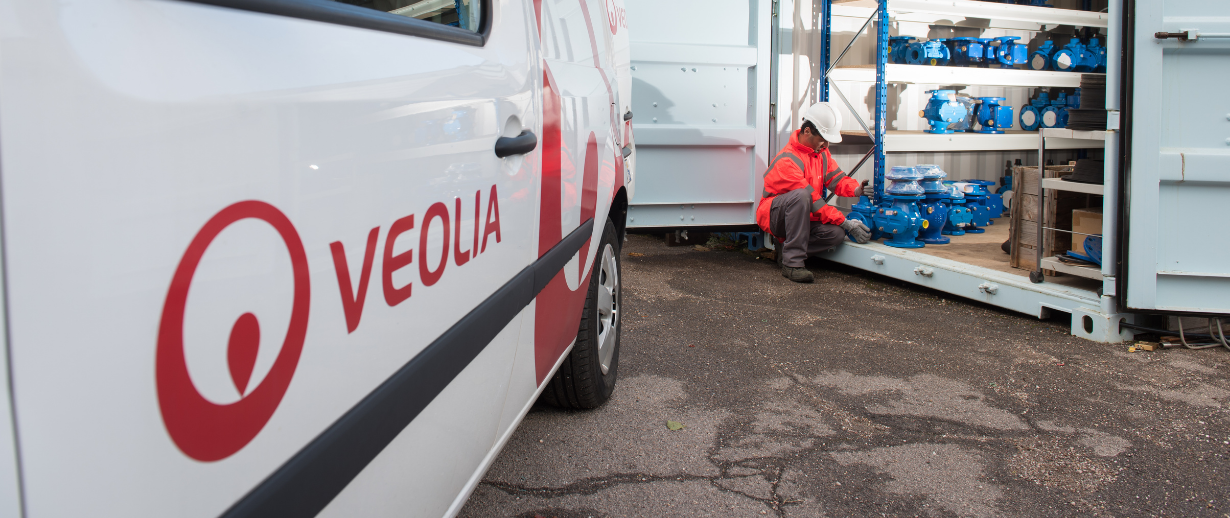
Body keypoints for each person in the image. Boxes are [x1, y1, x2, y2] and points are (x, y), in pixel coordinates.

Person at [756, 102, 871, 283]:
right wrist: (846, 222)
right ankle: (792, 264)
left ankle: (784, 250)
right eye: (823, 139)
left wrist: (857, 190)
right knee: (802, 196)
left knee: (836, 234)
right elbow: (814, 200)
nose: (825, 144)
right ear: (807, 131)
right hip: (776, 216)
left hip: (803, 216)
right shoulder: (788, 160)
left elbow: (837, 179)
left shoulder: (821, 153)